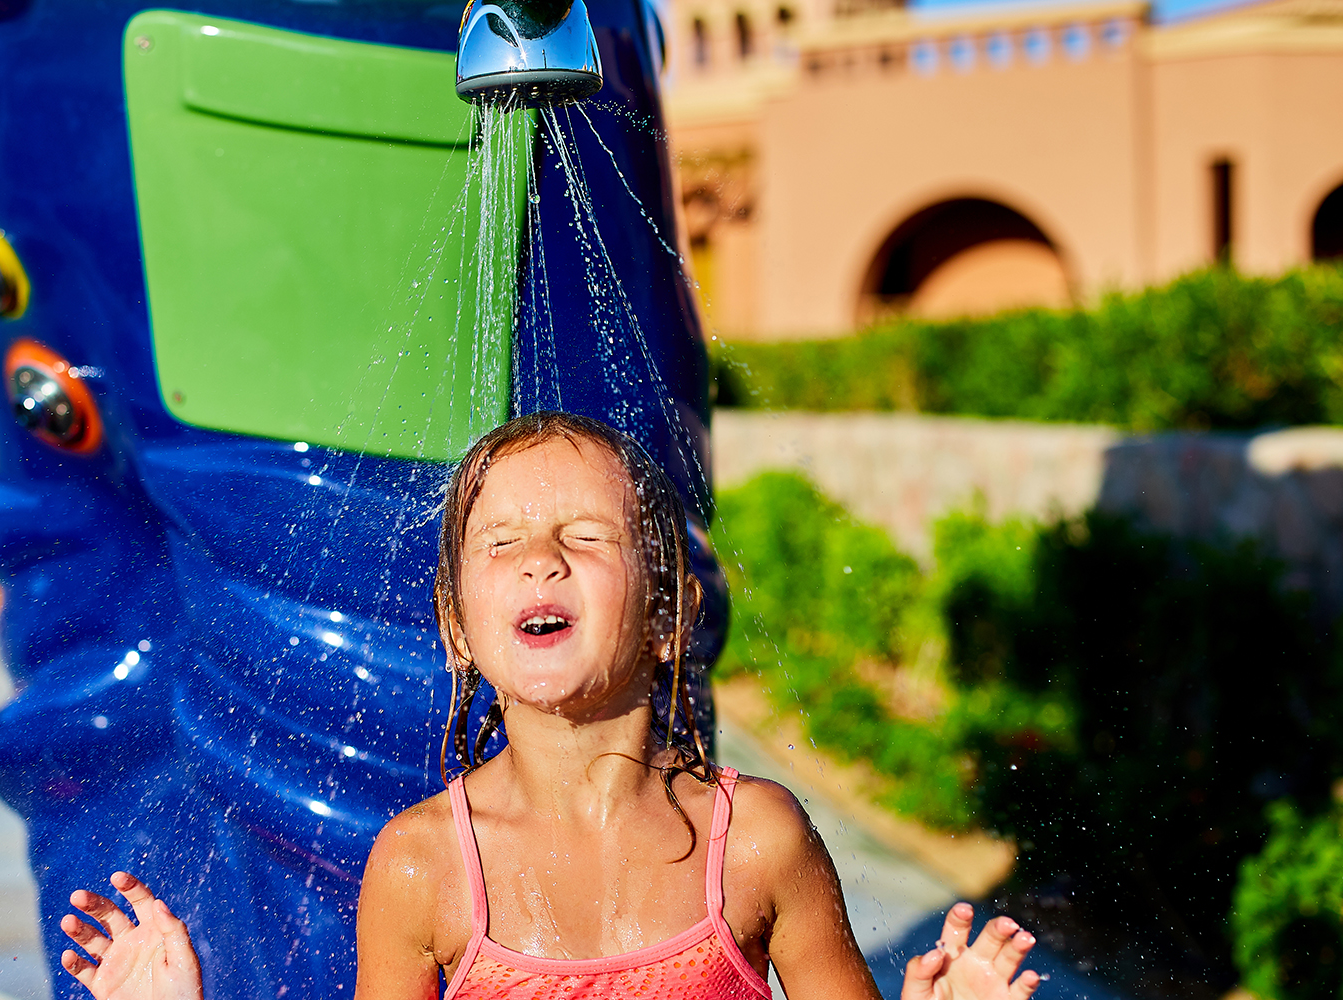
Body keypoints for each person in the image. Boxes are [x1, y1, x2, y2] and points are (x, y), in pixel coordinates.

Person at [57, 412, 1043, 1000]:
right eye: (501, 542)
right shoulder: (424, 863)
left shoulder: (755, 841)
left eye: (585, 534)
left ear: (667, 613)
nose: (542, 556)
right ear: (455, 624)